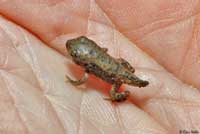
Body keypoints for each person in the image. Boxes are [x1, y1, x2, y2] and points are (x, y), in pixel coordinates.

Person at [0, 1, 199, 133]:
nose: (71, 53)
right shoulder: (94, 60)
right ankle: (130, 79)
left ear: (82, 62)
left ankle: (124, 94)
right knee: (122, 67)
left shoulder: (91, 72)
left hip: (115, 76)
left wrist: (75, 81)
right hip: (116, 66)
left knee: (115, 93)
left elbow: (83, 80)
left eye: (74, 55)